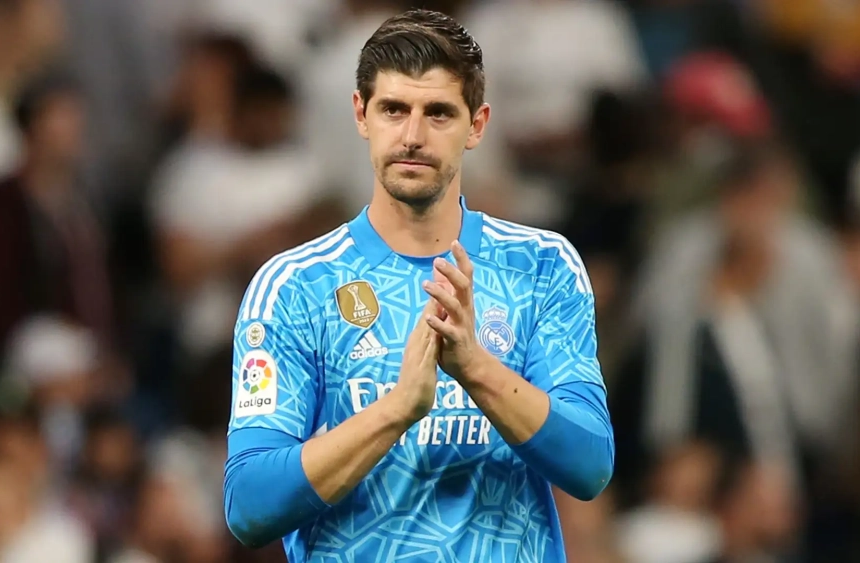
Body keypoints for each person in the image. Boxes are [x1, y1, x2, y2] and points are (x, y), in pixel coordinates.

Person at [222, 9, 614, 562]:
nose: (412, 135)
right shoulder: (294, 286)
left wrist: (476, 368)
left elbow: (591, 463)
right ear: (362, 115)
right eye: (393, 109)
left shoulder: (541, 267)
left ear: (476, 125)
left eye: (438, 113)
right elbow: (249, 503)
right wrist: (396, 409)